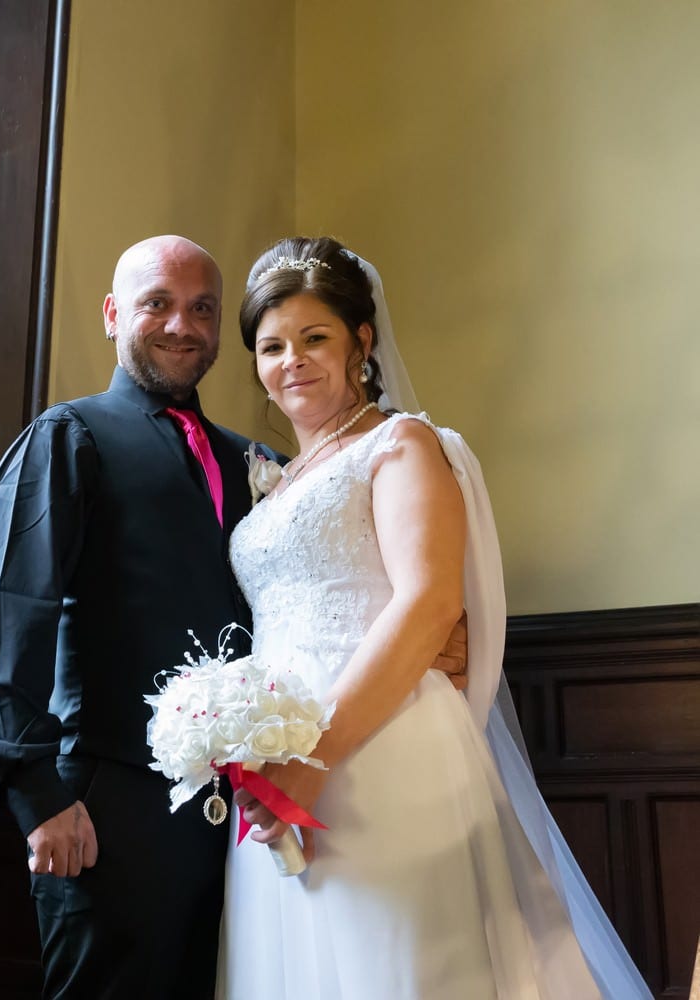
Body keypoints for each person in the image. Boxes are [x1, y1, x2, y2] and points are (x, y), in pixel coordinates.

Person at [0, 235, 465, 998]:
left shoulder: (259, 463)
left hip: (243, 814)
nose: (180, 325)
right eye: (156, 303)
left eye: (201, 310)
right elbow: (7, 616)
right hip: (108, 806)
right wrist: (39, 796)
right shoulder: (70, 436)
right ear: (112, 314)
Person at [217, 237, 649, 999]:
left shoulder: (401, 444)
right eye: (271, 345)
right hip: (277, 765)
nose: (291, 362)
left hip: (378, 747)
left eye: (314, 338)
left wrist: (310, 763)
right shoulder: (278, 482)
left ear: (363, 340)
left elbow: (429, 605)